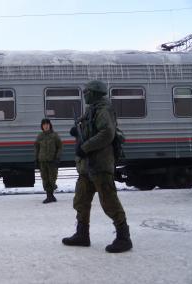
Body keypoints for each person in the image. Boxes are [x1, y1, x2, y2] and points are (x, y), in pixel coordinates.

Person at [62, 80, 133, 253]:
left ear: (95, 92)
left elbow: (107, 133)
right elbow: (88, 128)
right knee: (81, 201)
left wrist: (85, 147)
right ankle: (82, 234)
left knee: (109, 201)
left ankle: (124, 237)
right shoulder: (91, 110)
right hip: (87, 166)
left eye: (87, 91)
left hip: (100, 165)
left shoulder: (103, 109)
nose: (84, 94)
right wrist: (76, 130)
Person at [34, 118, 63, 203]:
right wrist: (36, 159)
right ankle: (49, 196)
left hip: (52, 160)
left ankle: (50, 196)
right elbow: (36, 148)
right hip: (42, 161)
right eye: (44, 125)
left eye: (47, 124)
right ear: (42, 126)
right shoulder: (40, 136)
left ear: (50, 125)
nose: (46, 126)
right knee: (45, 179)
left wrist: (57, 158)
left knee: (52, 179)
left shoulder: (55, 135)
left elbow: (60, 147)